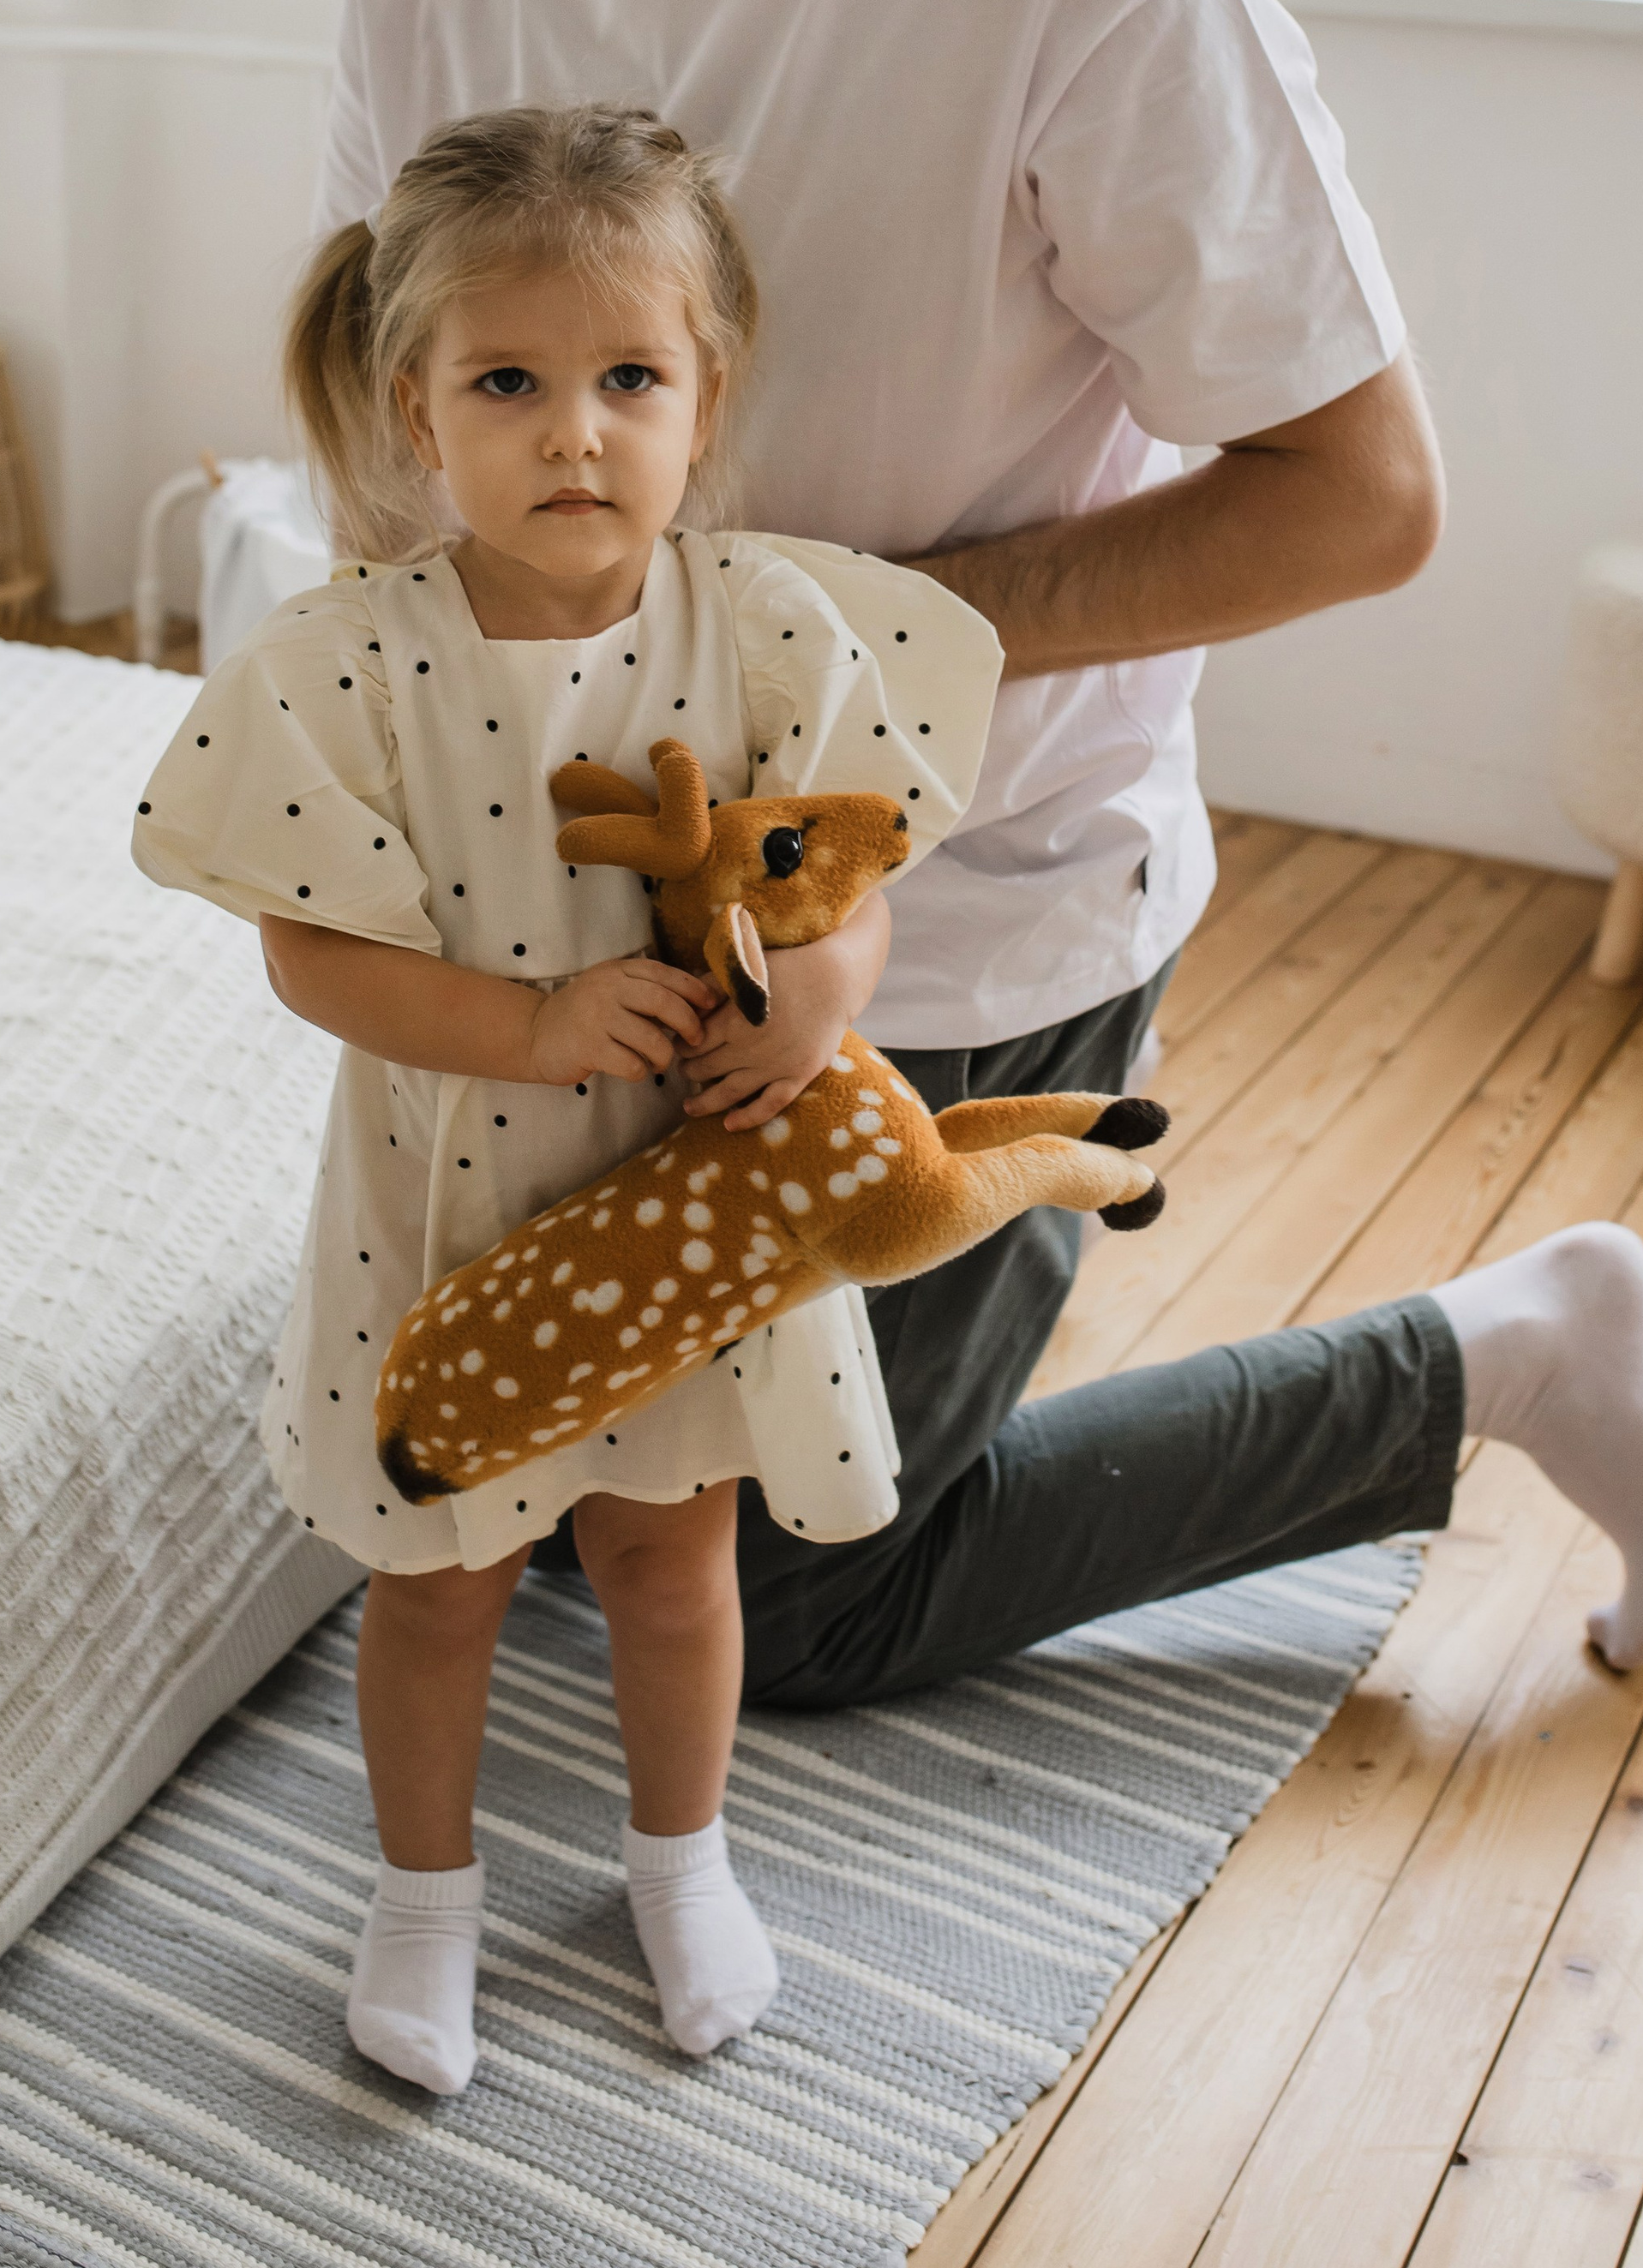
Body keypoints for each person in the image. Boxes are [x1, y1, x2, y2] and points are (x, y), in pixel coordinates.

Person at [310, 0, 1643, 1731]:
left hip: (950, 921)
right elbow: (390, 417)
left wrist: (849, 643)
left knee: (807, 1600)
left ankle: (1501, 1350)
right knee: (530, 1500)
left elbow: (1359, 496)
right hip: (588, 910)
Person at [133, 103, 1005, 2092]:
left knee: (668, 1559)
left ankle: (679, 1861)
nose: (574, 433)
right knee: (438, 1579)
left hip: (691, 1201)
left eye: (628, 379)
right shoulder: (348, 663)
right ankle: (421, 1894)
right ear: (415, 410)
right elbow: (306, 950)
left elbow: (846, 880)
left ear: (708, 395)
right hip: (445, 1198)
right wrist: (528, 1029)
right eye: (507, 383)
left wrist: (816, 1007)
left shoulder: (766, 629)